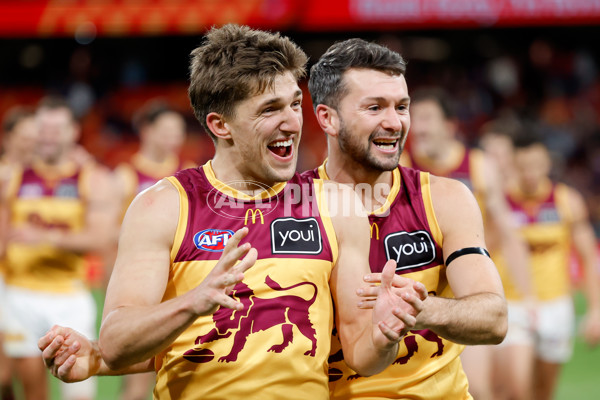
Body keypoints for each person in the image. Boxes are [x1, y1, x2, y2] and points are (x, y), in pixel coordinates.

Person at [37, 25, 426, 400]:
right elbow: (117, 342)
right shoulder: (165, 206)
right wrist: (195, 300)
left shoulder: (337, 205)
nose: (292, 122)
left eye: (294, 103)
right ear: (220, 125)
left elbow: (362, 356)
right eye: (270, 109)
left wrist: (384, 333)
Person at [304, 38, 507, 399]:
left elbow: (493, 318)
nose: (394, 122)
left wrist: (418, 309)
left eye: (402, 106)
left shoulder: (444, 199)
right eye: (374, 107)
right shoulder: (290, 206)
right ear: (327, 118)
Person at [404, 88, 532, 399]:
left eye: (426, 118)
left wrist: (529, 296)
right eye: (414, 118)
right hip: (426, 296)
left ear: (449, 126)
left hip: (479, 289)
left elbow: (508, 231)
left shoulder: (478, 166)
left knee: (507, 389)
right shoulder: (401, 165)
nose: (417, 126)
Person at [0, 96, 114, 400]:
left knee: (78, 392)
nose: (48, 135)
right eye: (43, 128)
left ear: (72, 132)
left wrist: (45, 238)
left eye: (56, 128)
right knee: (31, 389)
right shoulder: (12, 176)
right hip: (19, 293)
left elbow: (99, 240)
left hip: (69, 296)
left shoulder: (90, 178)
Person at [490, 129, 600, 400]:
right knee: (516, 389)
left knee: (543, 392)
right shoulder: (499, 203)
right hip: (513, 305)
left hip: (555, 306)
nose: (530, 173)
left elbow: (587, 256)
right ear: (514, 165)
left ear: (547, 164)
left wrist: (596, 309)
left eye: (536, 165)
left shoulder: (567, 201)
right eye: (523, 166)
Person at [113, 100, 193, 400]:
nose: (173, 137)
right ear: (146, 131)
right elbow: (112, 231)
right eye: (166, 129)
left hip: (177, 282)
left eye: (178, 130)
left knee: (172, 367)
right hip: (140, 280)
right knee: (135, 378)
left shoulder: (188, 174)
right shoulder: (126, 175)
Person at [0, 106, 36, 400]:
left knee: (25, 367)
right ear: (8, 138)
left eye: (34, 136)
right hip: (5, 279)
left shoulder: (46, 176)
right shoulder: (4, 176)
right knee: (3, 373)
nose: (31, 142)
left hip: (28, 282)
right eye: (24, 136)